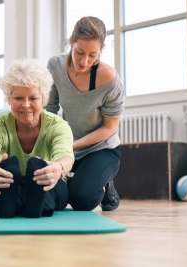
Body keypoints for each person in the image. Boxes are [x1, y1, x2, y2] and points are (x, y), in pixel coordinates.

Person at [0, 58, 74, 218]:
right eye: (18, 98)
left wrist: (58, 168)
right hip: (7, 181)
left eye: (33, 98)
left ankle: (33, 203)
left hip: (47, 179)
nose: (26, 105)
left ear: (43, 99)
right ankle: (11, 204)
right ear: (9, 99)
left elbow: (66, 157)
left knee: (46, 191)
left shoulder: (58, 125)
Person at [45, 16, 125, 211]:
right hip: (67, 147)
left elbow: (109, 127)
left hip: (101, 149)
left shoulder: (110, 80)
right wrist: (48, 143)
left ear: (101, 50)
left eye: (93, 55)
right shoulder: (55, 66)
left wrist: (70, 145)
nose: (84, 61)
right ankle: (81, 178)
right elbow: (50, 109)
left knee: (81, 200)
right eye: (79, 52)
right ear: (71, 41)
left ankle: (105, 185)